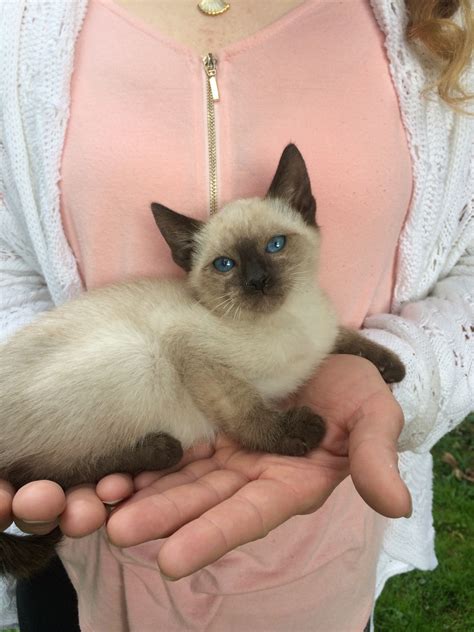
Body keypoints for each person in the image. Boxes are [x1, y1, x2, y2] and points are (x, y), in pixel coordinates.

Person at [0, 0, 472, 630]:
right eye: (225, 266)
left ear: (302, 211)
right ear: (186, 258)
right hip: (92, 552)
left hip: (324, 561)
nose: (254, 276)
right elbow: (186, 347)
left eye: (277, 247)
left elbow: (318, 326)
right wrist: (266, 430)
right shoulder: (21, 24)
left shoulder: (441, 28)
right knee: (135, 359)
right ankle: (62, 462)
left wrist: (397, 359)